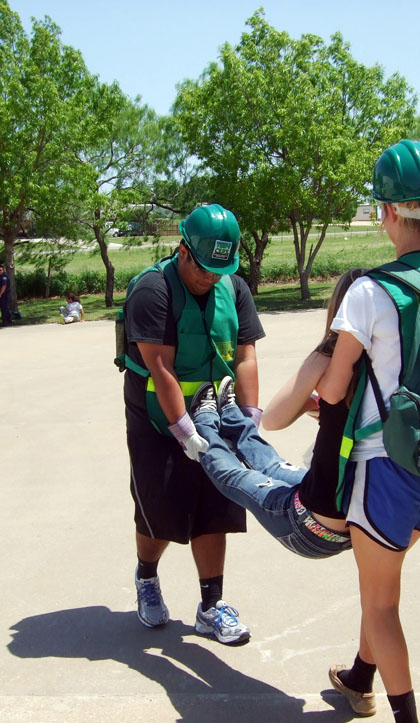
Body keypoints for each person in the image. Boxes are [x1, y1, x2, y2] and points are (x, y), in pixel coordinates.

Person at [316, 140, 420, 723]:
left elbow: (334, 385)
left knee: (381, 602)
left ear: (388, 214)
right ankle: (357, 678)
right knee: (383, 583)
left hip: (387, 468)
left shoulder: (370, 292)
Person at [121, 203, 265, 645]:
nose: (211, 278)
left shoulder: (234, 287)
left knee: (214, 508)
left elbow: (245, 357)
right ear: (183, 251)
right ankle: (147, 576)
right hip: (155, 417)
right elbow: (161, 369)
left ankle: (211, 605)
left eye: (220, 270)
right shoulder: (152, 290)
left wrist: (249, 424)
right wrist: (184, 432)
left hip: (215, 412)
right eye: (204, 268)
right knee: (159, 509)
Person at [186, 269, 365, 559]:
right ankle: (230, 411)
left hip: (310, 526)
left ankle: (204, 422)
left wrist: (310, 403)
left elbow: (272, 419)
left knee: (237, 474)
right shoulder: (389, 367)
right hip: (356, 526)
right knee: (271, 464)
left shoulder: (327, 358)